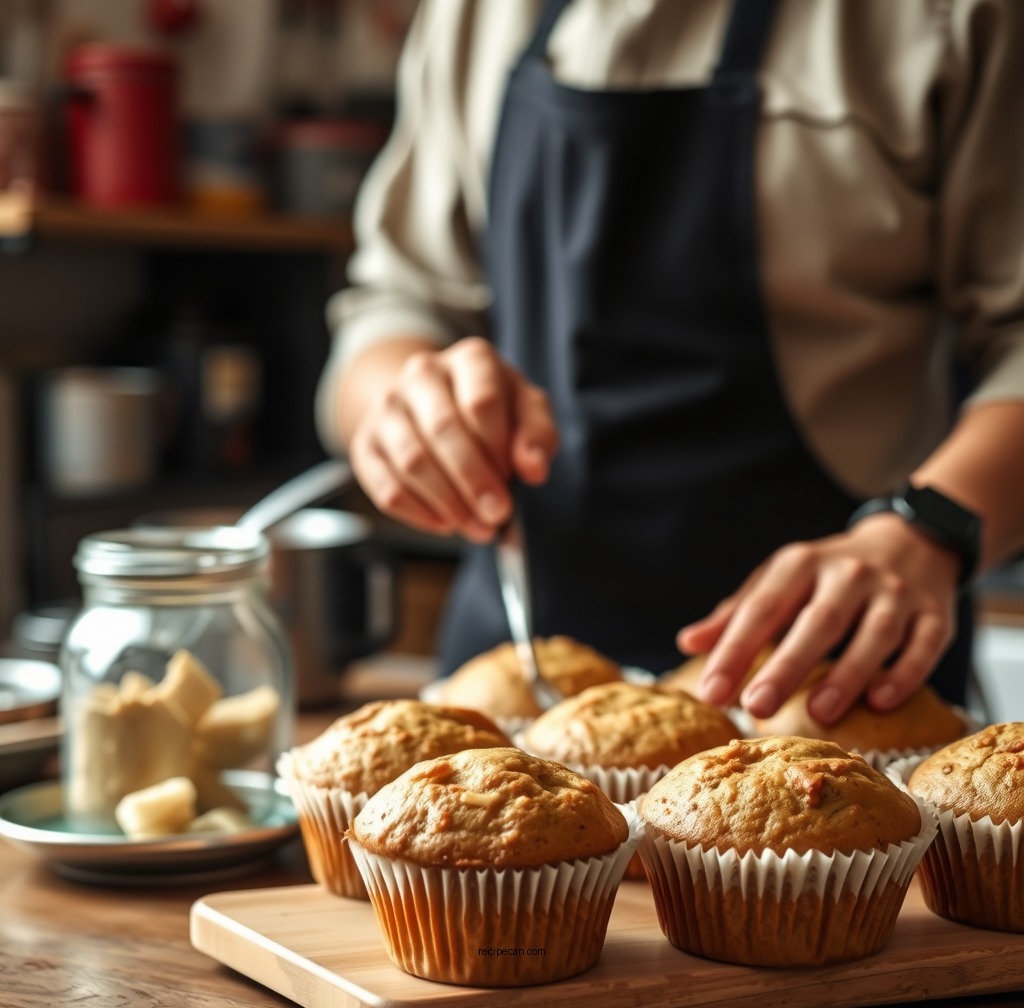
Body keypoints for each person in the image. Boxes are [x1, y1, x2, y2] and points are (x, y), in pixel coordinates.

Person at [315, 0, 1024, 726]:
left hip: (831, 697)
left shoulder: (944, 18)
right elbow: (397, 301)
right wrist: (400, 399)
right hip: (514, 693)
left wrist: (931, 529)